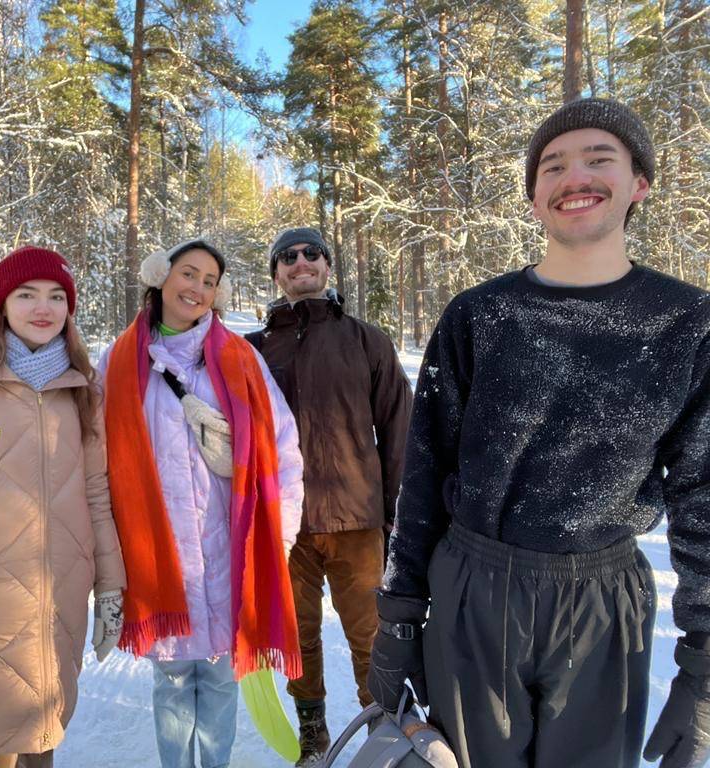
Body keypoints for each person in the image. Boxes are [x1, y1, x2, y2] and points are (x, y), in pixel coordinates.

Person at [370, 97, 710, 768]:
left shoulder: (688, 325)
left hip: (603, 606)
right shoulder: (479, 316)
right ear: (534, 199)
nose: (573, 177)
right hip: (475, 592)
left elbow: (705, 496)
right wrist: (400, 613)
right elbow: (422, 471)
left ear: (639, 183)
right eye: (552, 166)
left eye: (598, 158)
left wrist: (703, 668)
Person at [98, 238, 305, 768]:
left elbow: (282, 448)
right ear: (161, 278)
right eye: (188, 274)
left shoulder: (241, 360)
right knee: (171, 679)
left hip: (229, 550)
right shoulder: (117, 363)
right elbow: (95, 455)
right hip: (157, 553)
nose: (197, 288)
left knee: (217, 677)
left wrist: (279, 534)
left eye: (209, 282)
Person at [0, 246, 127, 768]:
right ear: (2, 305)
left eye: (56, 296)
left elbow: (96, 492)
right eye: (26, 295)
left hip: (62, 587)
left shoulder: (85, 390)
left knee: (45, 723)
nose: (42, 307)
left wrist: (111, 583)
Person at [246, 227, 412, 767]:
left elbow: (399, 432)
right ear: (275, 273)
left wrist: (396, 518)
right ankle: (312, 733)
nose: (301, 262)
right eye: (287, 257)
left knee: (372, 638)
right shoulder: (252, 350)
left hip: (356, 520)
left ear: (328, 266)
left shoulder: (367, 341)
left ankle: (383, 734)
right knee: (297, 639)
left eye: (312, 253)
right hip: (283, 525)